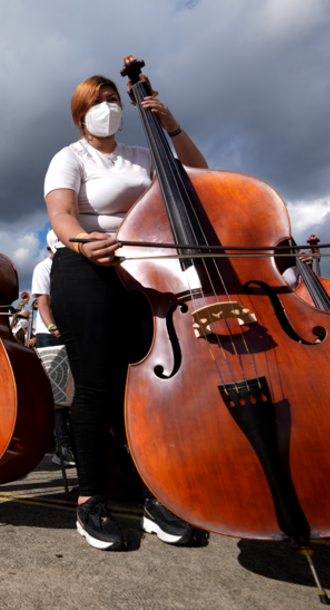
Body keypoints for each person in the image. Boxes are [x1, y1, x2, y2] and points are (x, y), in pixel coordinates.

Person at [44, 74, 208, 550]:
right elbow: (61, 213)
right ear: (81, 114)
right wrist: (81, 241)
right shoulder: (69, 157)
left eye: (114, 99)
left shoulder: (141, 154)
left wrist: (171, 126)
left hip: (144, 270)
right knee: (95, 387)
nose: (109, 107)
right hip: (85, 266)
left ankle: (155, 495)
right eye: (99, 102)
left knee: (147, 388)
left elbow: (197, 177)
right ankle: (90, 500)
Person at [31, 228, 75, 467]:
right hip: (50, 333)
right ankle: (62, 445)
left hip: (71, 330)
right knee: (59, 392)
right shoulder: (42, 269)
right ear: (49, 250)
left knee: (77, 390)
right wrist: (53, 328)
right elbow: (43, 304)